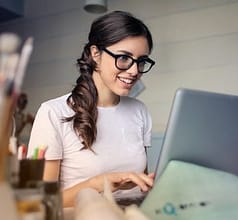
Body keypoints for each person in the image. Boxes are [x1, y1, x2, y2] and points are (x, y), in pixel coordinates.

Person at [27, 11, 156, 207]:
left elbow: (142, 185)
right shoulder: (53, 113)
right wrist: (98, 184)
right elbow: (40, 202)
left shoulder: (139, 110)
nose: (134, 71)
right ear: (96, 54)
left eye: (141, 61)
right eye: (124, 58)